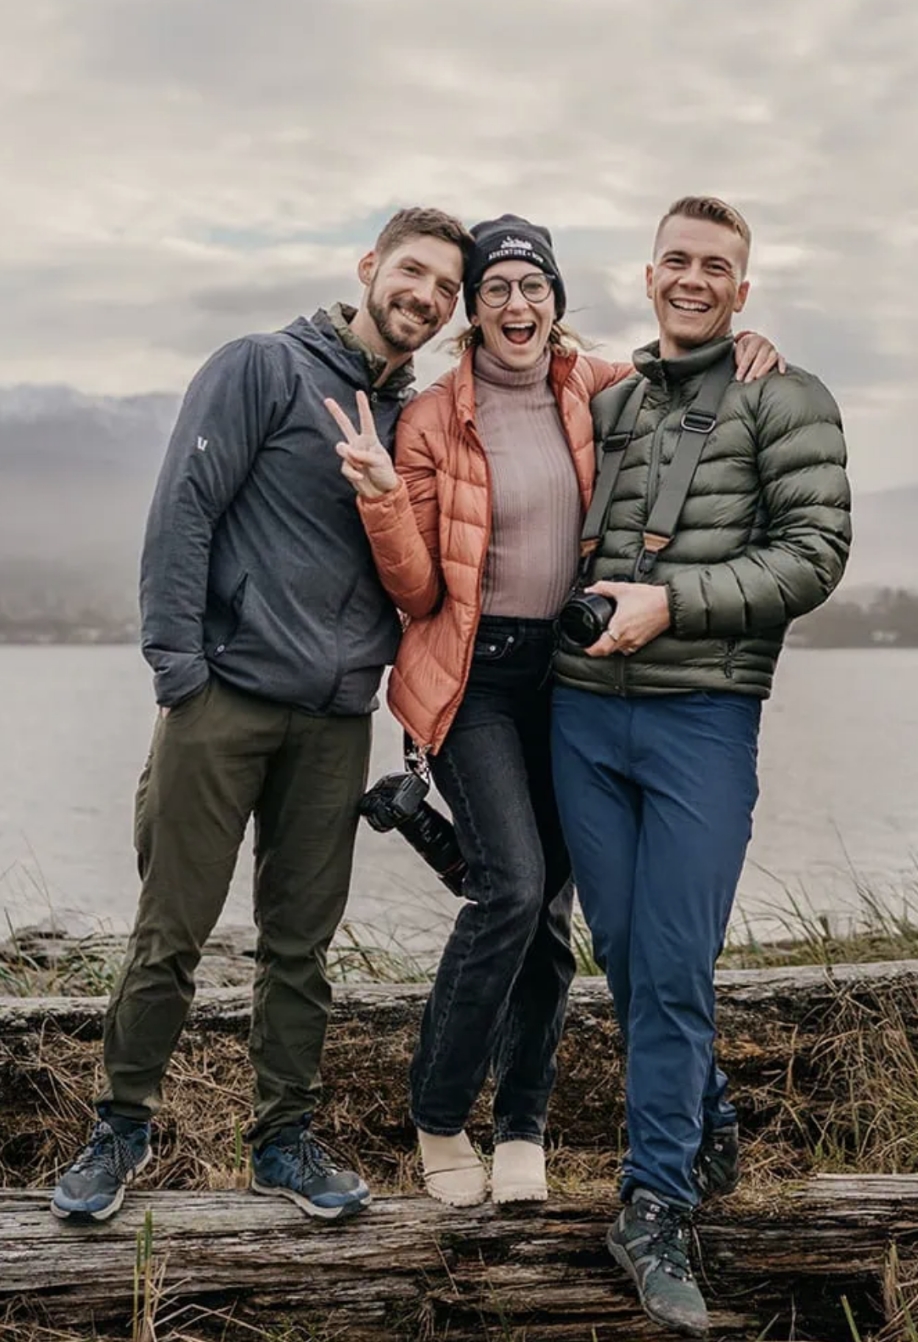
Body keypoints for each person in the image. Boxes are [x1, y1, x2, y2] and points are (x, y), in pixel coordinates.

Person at [326, 214, 780, 1210]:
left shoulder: (599, 388)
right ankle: (441, 1114)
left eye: (534, 289)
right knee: (513, 889)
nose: (517, 306)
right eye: (496, 290)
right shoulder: (433, 417)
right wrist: (376, 497)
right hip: (474, 679)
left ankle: (523, 1121)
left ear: (557, 303)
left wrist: (749, 349)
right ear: (472, 310)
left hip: (571, 676)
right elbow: (411, 587)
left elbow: (684, 380)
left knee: (553, 914)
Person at [50, 206, 471, 1225]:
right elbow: (183, 511)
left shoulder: (414, 419)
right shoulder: (261, 367)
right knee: (171, 932)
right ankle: (120, 1128)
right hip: (223, 699)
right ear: (371, 266)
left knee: (301, 945)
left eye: (445, 290)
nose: (425, 297)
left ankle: (284, 1140)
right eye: (413, 272)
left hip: (333, 718)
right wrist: (179, 673)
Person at [551, 196, 851, 1336]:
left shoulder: (788, 395)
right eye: (676, 258)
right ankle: (706, 1114)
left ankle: (655, 1201)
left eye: (715, 265)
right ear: (647, 272)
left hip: (702, 719)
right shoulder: (609, 397)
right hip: (580, 719)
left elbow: (816, 552)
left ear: (742, 285)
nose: (692, 277)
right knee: (629, 960)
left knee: (675, 963)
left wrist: (672, 604)